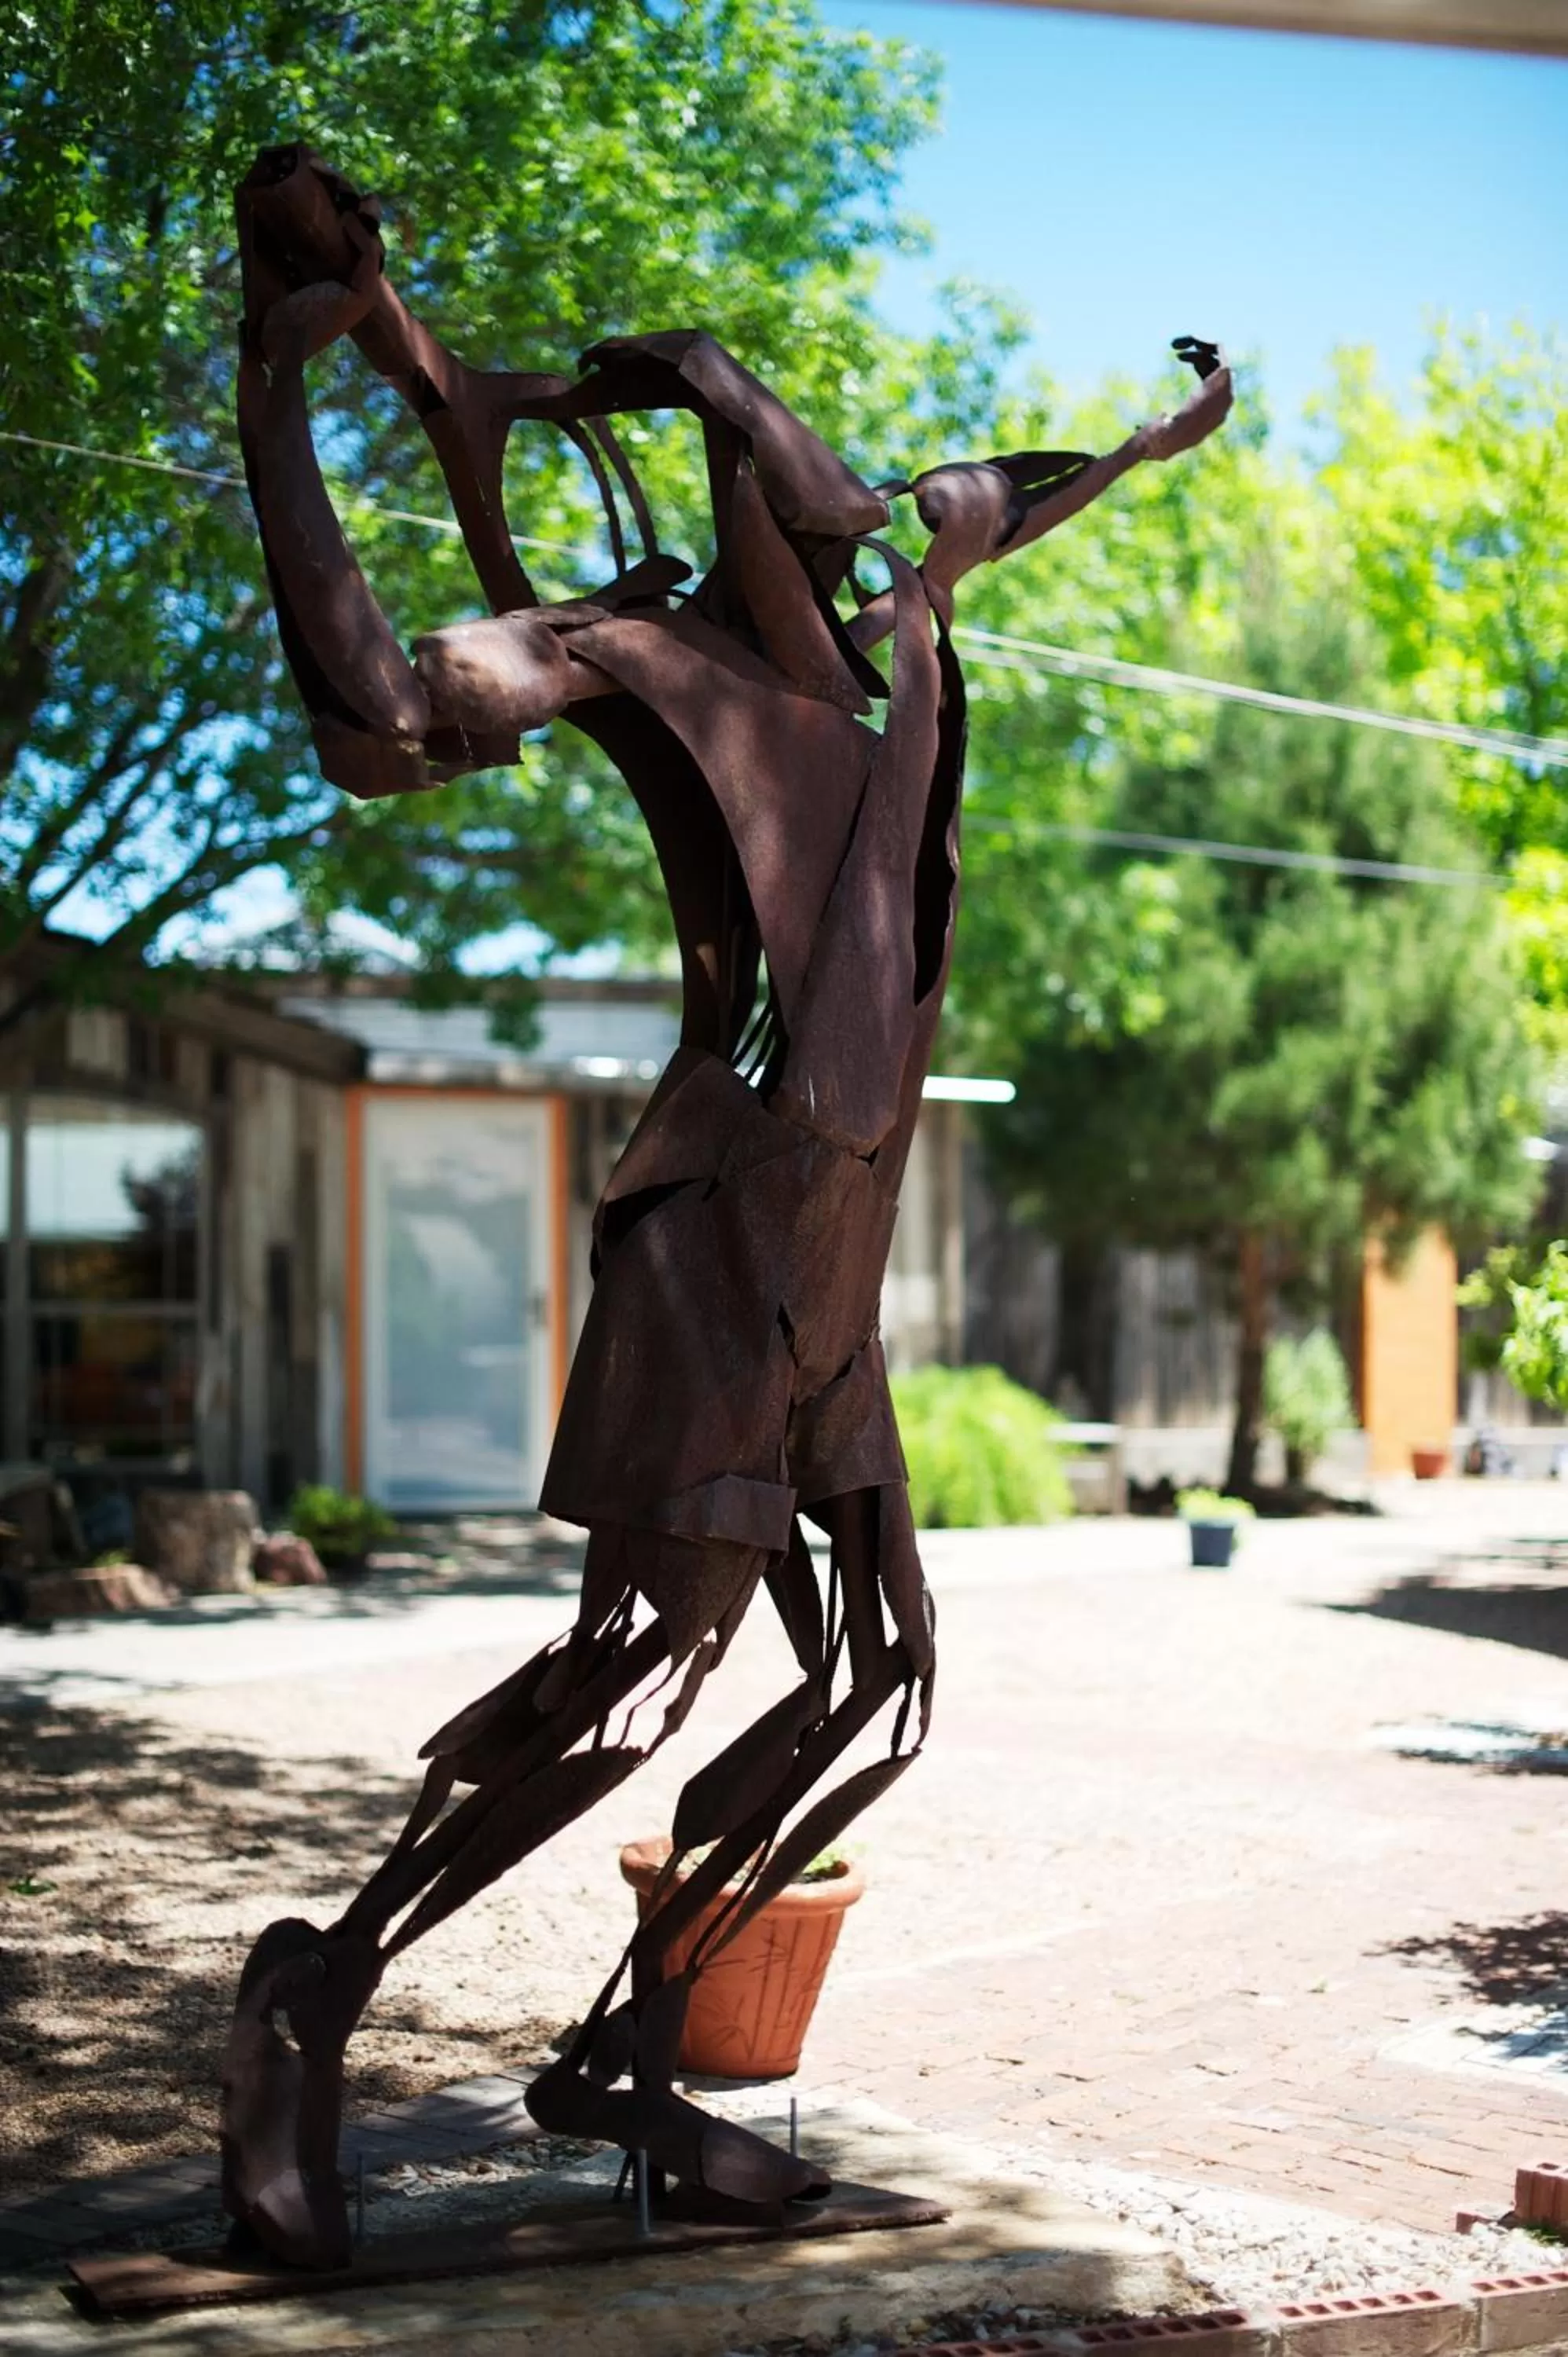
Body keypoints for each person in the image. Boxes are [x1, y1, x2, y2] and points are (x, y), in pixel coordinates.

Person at [222, 143, 1233, 2269]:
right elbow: (382, 717)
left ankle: (635, 2060)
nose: (860, 525)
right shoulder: (639, 651)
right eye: (811, 492)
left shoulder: (880, 674)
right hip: (723, 1239)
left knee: (879, 1677)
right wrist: (281, 382)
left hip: (833, 1269)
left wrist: (1145, 448)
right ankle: (315, 1995)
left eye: (871, 516)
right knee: (635, 1675)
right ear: (733, 484)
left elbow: (1000, 500)